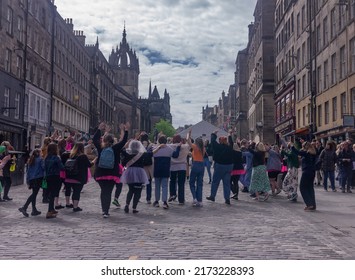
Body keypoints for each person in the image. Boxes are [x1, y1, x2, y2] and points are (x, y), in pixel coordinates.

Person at [93, 122, 129, 218]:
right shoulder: (115, 148)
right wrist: (126, 130)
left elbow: (94, 139)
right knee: (108, 192)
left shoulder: (101, 147)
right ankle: (106, 211)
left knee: (103, 191)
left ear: (103, 140)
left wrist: (99, 129)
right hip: (112, 173)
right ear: (113, 141)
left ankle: (103, 210)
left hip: (100, 173)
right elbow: (124, 141)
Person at [120, 140, 153, 213]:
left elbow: (121, 149)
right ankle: (134, 207)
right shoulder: (142, 154)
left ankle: (127, 204)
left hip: (130, 173)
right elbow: (151, 154)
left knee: (131, 190)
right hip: (139, 173)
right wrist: (159, 147)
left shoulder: (127, 153)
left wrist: (126, 143)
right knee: (138, 191)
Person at [152, 135, 181, 209]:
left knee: (157, 187)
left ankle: (156, 201)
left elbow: (150, 153)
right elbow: (175, 155)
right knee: (165, 186)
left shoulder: (155, 148)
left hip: (157, 170)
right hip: (165, 170)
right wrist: (178, 148)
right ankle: (164, 202)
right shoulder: (169, 149)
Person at [206, 131, 234, 205]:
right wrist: (230, 135)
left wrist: (214, 134)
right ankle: (227, 198)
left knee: (215, 182)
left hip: (220, 166)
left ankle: (212, 196)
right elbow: (231, 142)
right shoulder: (229, 147)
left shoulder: (217, 147)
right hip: (229, 166)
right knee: (227, 183)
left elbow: (212, 141)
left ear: (220, 141)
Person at [64, 142, 93, 212]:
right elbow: (89, 165)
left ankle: (69, 203)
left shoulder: (70, 155)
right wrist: (94, 161)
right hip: (79, 177)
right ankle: (75, 206)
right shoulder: (83, 156)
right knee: (76, 192)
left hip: (69, 176)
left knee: (70, 190)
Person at [292, 141, 317, 210]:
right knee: (310, 188)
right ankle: (313, 205)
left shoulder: (307, 153)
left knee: (302, 188)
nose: (302, 148)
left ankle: (309, 204)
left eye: (303, 147)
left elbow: (298, 152)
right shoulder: (313, 153)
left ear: (305, 147)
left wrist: (291, 146)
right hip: (312, 172)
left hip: (306, 171)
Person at [18, 149, 44, 217]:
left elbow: (28, 171)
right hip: (38, 178)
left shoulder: (30, 160)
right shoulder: (40, 160)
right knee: (34, 194)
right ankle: (24, 207)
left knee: (34, 194)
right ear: (39, 153)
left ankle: (34, 209)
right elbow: (44, 168)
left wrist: (27, 180)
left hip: (32, 179)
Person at [44, 143, 65, 219]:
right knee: (53, 194)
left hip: (48, 177)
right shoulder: (56, 158)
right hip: (56, 177)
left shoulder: (46, 158)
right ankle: (49, 211)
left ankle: (52, 209)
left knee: (50, 193)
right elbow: (62, 167)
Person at [169, 135, 189, 204]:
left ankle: (172, 194)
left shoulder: (170, 146)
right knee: (181, 184)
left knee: (172, 182)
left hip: (173, 166)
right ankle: (181, 199)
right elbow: (188, 144)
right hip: (182, 166)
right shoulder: (185, 146)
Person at [186, 130, 205, 207]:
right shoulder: (203, 149)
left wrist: (188, 134)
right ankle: (199, 200)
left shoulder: (195, 147)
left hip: (196, 164)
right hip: (201, 165)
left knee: (192, 182)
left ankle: (194, 198)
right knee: (200, 184)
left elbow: (188, 141)